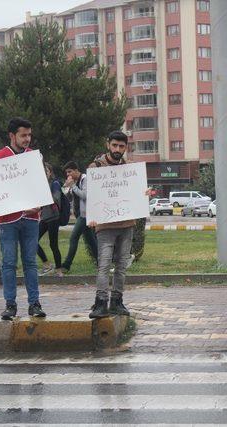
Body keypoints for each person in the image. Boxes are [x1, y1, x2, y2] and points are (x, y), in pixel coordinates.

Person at [0, 117, 46, 320]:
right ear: (12, 135)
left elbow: (40, 185)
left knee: (30, 262)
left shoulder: (34, 157)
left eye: (29, 135)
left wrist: (39, 203)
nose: (27, 139)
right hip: (6, 220)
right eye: (23, 135)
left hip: (31, 217)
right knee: (9, 263)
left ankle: (34, 303)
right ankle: (10, 304)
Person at [87, 131, 134, 318]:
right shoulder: (96, 167)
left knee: (122, 265)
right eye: (114, 145)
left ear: (126, 148)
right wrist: (91, 215)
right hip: (105, 225)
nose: (117, 149)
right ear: (108, 144)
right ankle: (100, 303)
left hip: (126, 223)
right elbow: (91, 194)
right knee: (104, 265)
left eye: (121, 146)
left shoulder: (131, 169)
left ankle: (117, 301)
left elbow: (136, 192)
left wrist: (144, 192)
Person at [61, 161, 98, 273]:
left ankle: (66, 265)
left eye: (70, 172)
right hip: (80, 215)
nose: (68, 175)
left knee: (73, 238)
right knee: (91, 241)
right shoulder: (75, 181)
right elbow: (67, 197)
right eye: (66, 173)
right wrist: (66, 187)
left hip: (85, 215)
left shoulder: (85, 179)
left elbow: (85, 195)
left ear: (76, 170)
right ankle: (102, 263)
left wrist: (73, 186)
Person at [37, 163, 63, 276]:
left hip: (53, 217)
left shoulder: (55, 183)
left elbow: (56, 198)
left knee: (53, 244)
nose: (44, 173)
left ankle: (58, 269)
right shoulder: (40, 184)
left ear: (50, 172)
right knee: (33, 241)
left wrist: (43, 194)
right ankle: (47, 264)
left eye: (46, 171)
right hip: (44, 217)